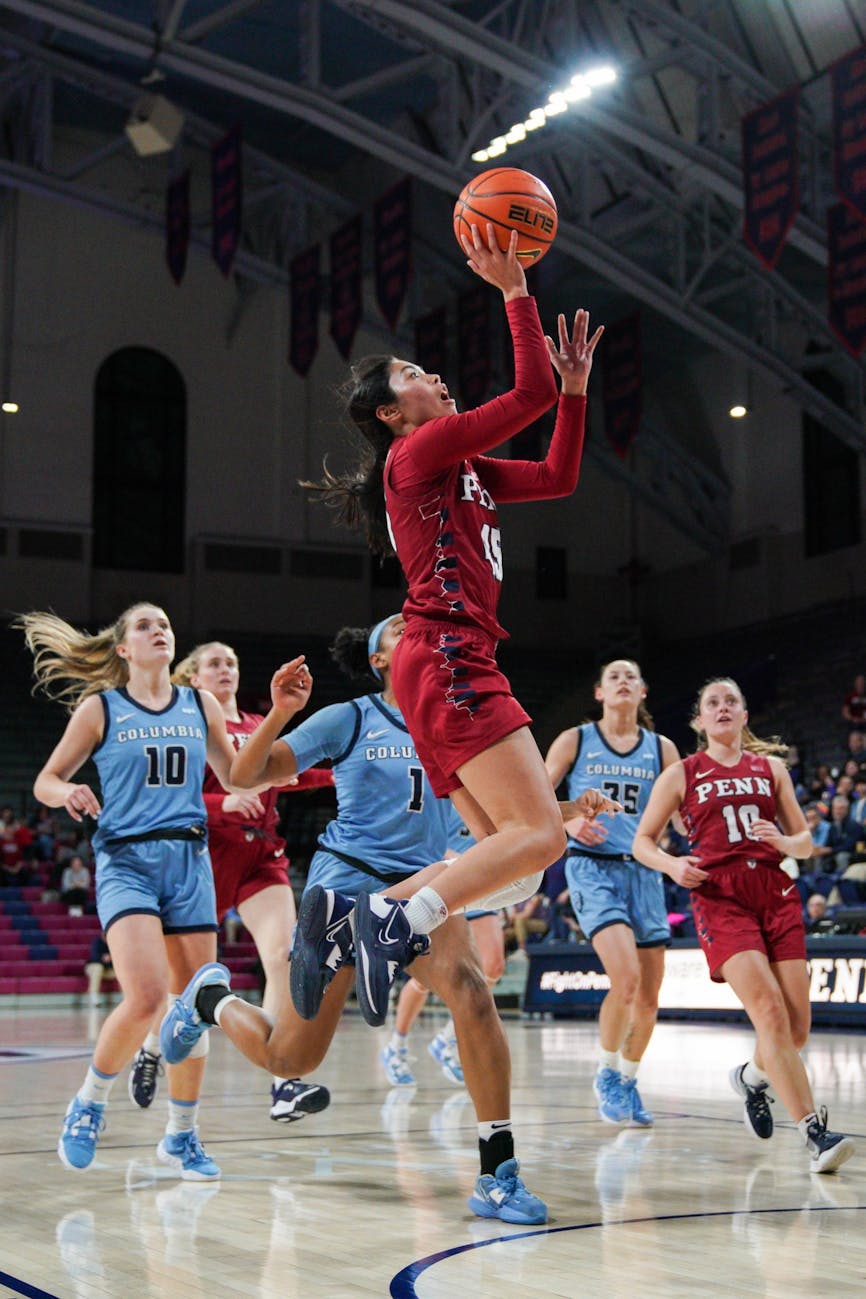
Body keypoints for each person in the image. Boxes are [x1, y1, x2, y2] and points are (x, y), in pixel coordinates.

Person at [299, 221, 612, 1023]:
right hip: (447, 656)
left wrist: (575, 392)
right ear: (390, 414)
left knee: (515, 867)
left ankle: (353, 917)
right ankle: (391, 916)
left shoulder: (457, 465)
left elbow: (557, 475)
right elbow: (528, 396)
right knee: (540, 838)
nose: (432, 374)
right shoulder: (417, 454)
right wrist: (515, 292)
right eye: (411, 374)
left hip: (440, 662)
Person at [160, 616, 549, 1224]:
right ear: (379, 660)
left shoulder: (455, 724)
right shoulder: (351, 716)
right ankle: (209, 1001)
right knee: (291, 1060)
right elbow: (242, 776)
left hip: (423, 886)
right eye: (399, 629)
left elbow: (500, 822)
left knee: (472, 992)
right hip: (345, 887)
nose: (415, 630)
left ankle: (497, 1173)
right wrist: (281, 712)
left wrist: (561, 816)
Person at [18, 602, 249, 1179]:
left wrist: (279, 756)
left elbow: (235, 776)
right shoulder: (101, 708)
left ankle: (181, 1136)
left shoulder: (200, 704)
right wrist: (67, 792)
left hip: (189, 860)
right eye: (145, 625)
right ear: (124, 648)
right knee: (146, 998)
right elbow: (45, 780)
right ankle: (88, 1103)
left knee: (194, 1007)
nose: (159, 630)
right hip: (126, 860)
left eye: (164, 624)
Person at [631, 676, 855, 1173]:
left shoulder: (770, 768)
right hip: (720, 897)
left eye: (731, 701)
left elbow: (804, 843)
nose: (723, 708)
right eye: (713, 702)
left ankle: (752, 1078)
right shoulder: (682, 773)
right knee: (769, 1012)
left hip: (774, 892)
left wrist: (782, 840)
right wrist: (672, 865)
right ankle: (814, 1134)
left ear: (745, 715)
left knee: (796, 1030)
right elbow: (641, 841)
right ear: (700, 720)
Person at [124, 640, 331, 1123]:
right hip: (205, 860)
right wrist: (224, 803)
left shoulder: (259, 726)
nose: (226, 670)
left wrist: (338, 777)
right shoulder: (187, 727)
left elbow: (287, 775)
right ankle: (151, 1048)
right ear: (194, 678)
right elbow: (169, 797)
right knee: (186, 985)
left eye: (232, 663)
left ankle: (283, 1082)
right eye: (214, 663)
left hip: (261, 858)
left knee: (285, 957)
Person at [545, 658, 681, 1128]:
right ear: (599, 693)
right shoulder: (575, 740)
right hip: (592, 868)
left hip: (645, 872)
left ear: (642, 692)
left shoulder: (662, 748)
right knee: (625, 979)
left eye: (631, 676)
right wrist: (572, 821)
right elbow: (534, 797)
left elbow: (683, 814)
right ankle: (605, 1072)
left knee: (648, 998)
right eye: (613, 677)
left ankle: (628, 1078)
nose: (623, 681)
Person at [381, 805, 506, 1089]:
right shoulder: (441, 795)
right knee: (429, 977)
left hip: (484, 881)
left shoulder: (495, 792)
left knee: (493, 965)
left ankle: (447, 1040)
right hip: (445, 883)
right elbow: (423, 843)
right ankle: (397, 1046)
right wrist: (461, 861)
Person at [85, 933, 116, 1007]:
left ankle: (127, 997)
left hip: (107, 970)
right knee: (98, 968)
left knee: (121, 973)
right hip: (92, 967)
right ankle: (94, 996)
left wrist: (111, 958)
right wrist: (105, 959)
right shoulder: (97, 942)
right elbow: (95, 957)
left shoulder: (113, 944)